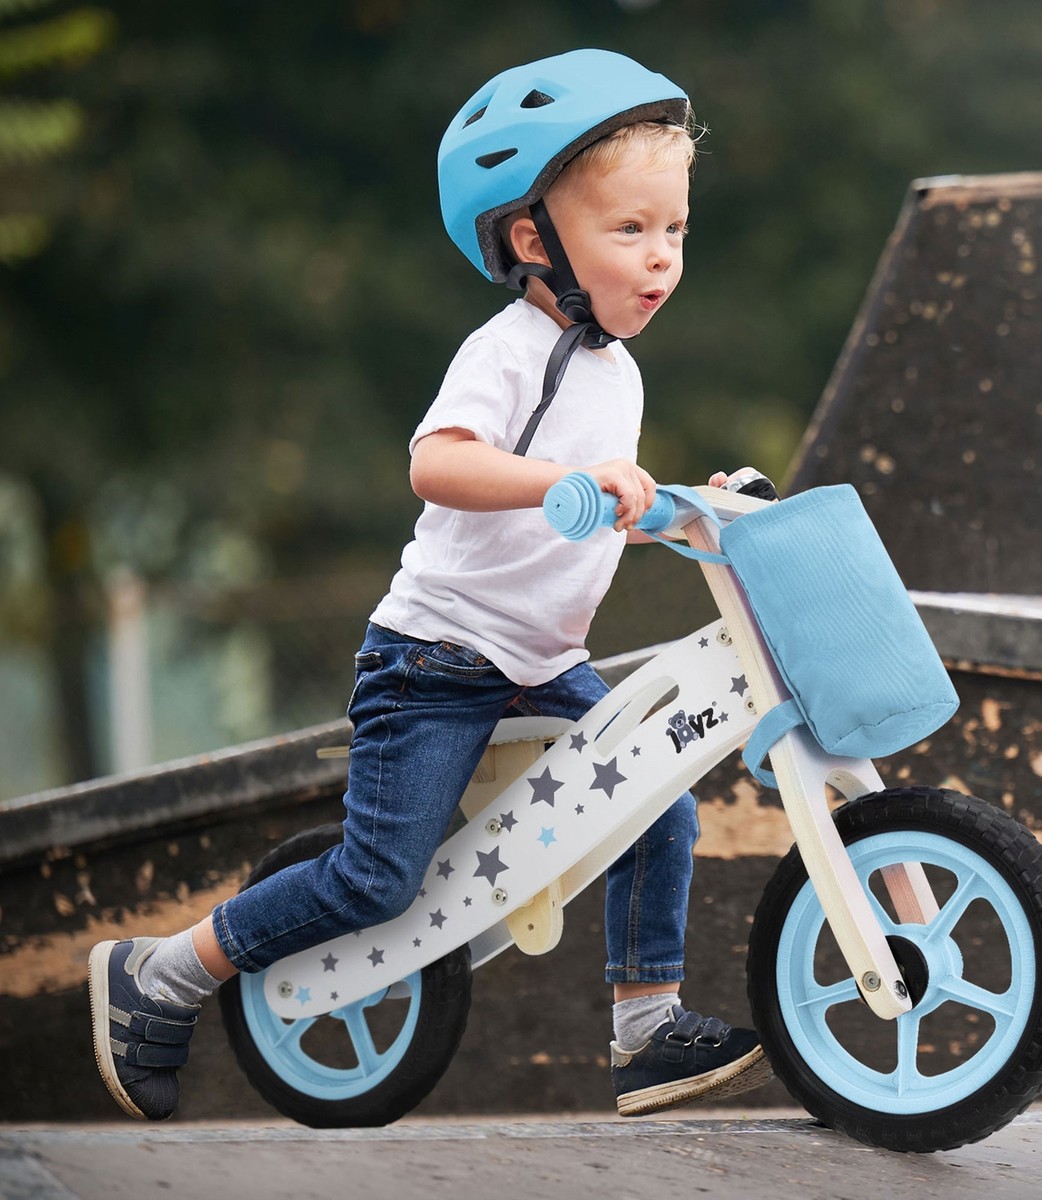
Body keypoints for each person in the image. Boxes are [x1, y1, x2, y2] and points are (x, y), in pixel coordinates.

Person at [88, 47, 772, 1124]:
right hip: (437, 663)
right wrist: (573, 481)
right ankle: (162, 973)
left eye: (675, 230)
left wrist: (686, 505)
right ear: (531, 238)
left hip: (543, 665)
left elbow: (578, 517)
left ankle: (645, 1028)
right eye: (629, 230)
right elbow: (439, 464)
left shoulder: (615, 370)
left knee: (660, 801)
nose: (661, 258)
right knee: (376, 883)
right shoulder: (507, 349)